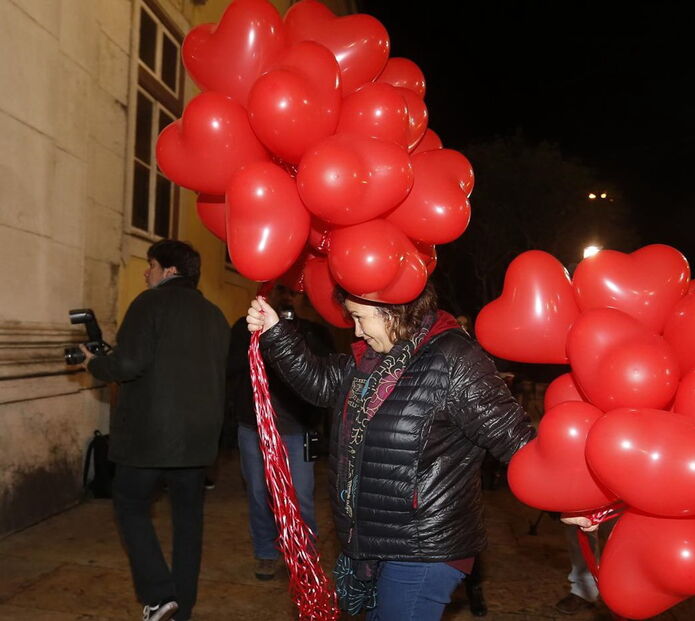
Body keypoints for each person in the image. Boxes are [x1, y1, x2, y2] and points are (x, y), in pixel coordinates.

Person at [246, 283, 534, 620]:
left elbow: (516, 440)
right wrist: (275, 332)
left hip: (423, 547)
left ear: (393, 311)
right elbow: (322, 382)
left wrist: (572, 503)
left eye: (360, 318)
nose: (356, 330)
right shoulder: (370, 360)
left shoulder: (455, 360)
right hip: (375, 540)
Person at [78, 240, 229, 621]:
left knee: (129, 507)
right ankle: (182, 607)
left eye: (151, 264)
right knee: (189, 523)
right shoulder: (214, 315)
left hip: (150, 437)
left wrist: (95, 364)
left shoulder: (149, 304)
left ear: (170, 271)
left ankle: (159, 594)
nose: (147, 271)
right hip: (197, 440)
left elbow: (128, 364)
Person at [227, 283, 334, 581]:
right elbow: (233, 369)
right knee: (260, 494)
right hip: (255, 428)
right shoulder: (244, 328)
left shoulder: (314, 333)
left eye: (294, 291)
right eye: (280, 290)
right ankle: (266, 552)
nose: (287, 297)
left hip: (298, 430)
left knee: (301, 497)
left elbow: (326, 378)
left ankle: (304, 556)